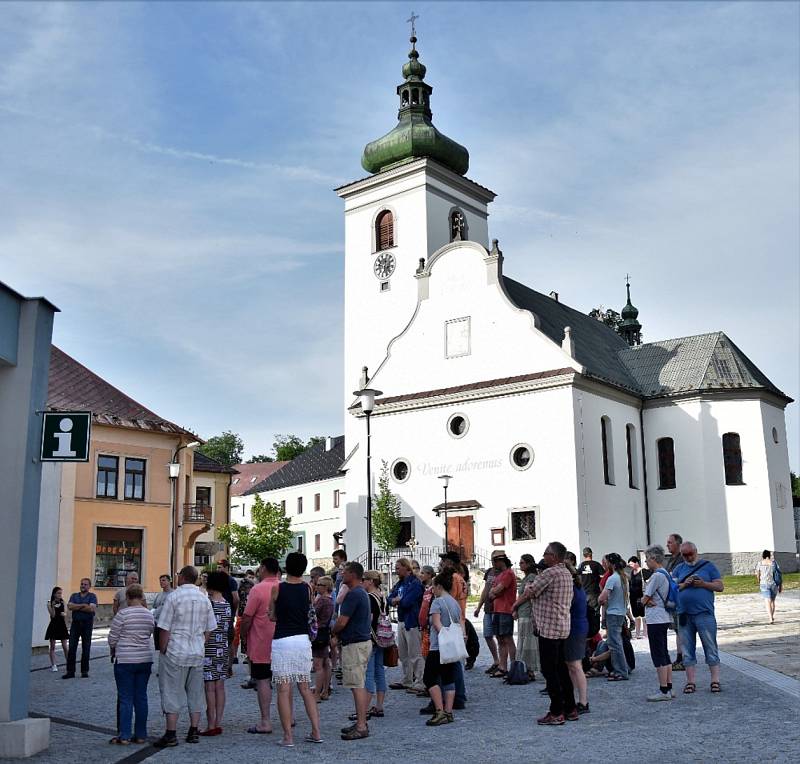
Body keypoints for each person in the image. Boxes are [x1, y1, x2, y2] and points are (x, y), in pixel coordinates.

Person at [153, 565, 218, 749]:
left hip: (176, 652)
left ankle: (171, 733)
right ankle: (193, 730)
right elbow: (210, 628)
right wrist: (201, 643)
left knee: (172, 691)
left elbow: (164, 627)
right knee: (196, 693)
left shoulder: (174, 597)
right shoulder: (203, 598)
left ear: (182, 577)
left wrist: (164, 648)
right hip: (197, 652)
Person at [269, 552, 322, 746]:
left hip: (282, 640)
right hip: (302, 641)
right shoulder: (308, 588)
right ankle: (316, 732)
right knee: (305, 688)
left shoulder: (277, 588)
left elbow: (272, 615)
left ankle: (288, 737)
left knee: (283, 689)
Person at [525, 542, 576, 725]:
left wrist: (526, 588)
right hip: (562, 626)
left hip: (548, 628)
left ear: (553, 556)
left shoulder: (550, 573)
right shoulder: (567, 573)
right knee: (562, 669)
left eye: (546, 553)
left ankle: (556, 711)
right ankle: (570, 707)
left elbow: (531, 591)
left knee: (549, 670)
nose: (544, 556)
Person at [673, 542, 724, 694]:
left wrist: (703, 584)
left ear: (696, 551)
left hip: (704, 614)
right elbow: (672, 589)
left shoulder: (708, 566)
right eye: (685, 555)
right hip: (684, 615)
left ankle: (715, 680)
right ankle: (690, 682)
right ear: (681, 555)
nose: (689, 557)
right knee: (687, 650)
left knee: (710, 646)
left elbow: (720, 587)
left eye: (691, 554)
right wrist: (685, 584)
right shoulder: (678, 569)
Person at [107, 583, 155, 745]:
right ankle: (141, 734)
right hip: (144, 659)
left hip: (125, 660)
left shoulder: (122, 614)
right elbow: (149, 633)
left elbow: (112, 638)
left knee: (126, 698)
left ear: (127, 597)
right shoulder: (149, 615)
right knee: (141, 697)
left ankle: (125, 735)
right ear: (142, 597)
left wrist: (114, 649)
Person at [332, 562, 373, 741]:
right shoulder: (360, 592)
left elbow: (341, 621)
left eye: (345, 571)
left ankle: (362, 725)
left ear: (353, 574)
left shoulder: (354, 594)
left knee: (357, 685)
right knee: (358, 683)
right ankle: (360, 722)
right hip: (360, 642)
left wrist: (332, 633)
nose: (341, 573)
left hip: (355, 644)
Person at [241, 557, 281, 733]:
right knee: (283, 681)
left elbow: (247, 616)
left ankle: (265, 721)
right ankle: (289, 716)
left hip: (261, 642)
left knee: (263, 680)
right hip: (282, 641)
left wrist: (243, 635)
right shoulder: (284, 587)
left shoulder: (257, 589)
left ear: (263, 568)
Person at [421, 571, 461, 727]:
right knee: (448, 678)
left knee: (429, 678)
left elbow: (437, 624)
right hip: (452, 647)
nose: (432, 590)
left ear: (439, 586)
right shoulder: (454, 602)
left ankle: (439, 711)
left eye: (433, 587)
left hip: (439, 646)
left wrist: (443, 635)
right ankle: (449, 712)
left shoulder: (437, 602)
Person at [200, 571, 232, 736]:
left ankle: (210, 724)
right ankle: (218, 721)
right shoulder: (226, 604)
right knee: (220, 686)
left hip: (208, 649)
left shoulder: (208, 604)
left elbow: (205, 628)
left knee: (209, 688)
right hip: (223, 648)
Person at [641, 544, 674, 701]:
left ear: (654, 559)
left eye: (647, 559)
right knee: (664, 652)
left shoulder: (656, 576)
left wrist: (645, 601)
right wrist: (648, 601)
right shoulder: (665, 574)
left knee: (657, 653)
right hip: (664, 616)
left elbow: (645, 598)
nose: (646, 562)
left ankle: (663, 691)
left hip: (655, 619)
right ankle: (669, 687)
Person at [388, 558, 424, 692]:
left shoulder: (415, 584)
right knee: (403, 654)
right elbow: (389, 598)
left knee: (415, 653)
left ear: (406, 568)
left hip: (412, 621)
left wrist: (397, 600)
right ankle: (407, 679)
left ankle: (420, 681)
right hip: (402, 620)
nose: (396, 571)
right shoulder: (400, 584)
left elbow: (407, 602)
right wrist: (395, 600)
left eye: (398, 568)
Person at [598, 553, 630, 681]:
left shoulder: (612, 579)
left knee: (615, 644)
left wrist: (601, 600)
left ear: (611, 564)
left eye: (605, 562)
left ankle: (621, 671)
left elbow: (602, 598)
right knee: (616, 643)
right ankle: (620, 669)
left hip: (613, 613)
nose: (604, 565)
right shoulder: (623, 578)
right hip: (620, 613)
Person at [564, 561, 589, 714]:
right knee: (572, 665)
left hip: (575, 628)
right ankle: (575, 699)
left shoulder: (572, 589)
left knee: (575, 665)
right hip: (578, 627)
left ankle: (583, 702)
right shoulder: (577, 587)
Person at [362, 570, 387, 719]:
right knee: (379, 672)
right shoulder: (381, 595)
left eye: (364, 579)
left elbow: (369, 620)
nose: (362, 582)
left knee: (369, 674)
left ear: (371, 581)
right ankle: (379, 705)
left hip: (371, 638)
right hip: (382, 637)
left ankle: (363, 709)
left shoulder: (369, 598)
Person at [488, 553, 517, 678]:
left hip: (506, 610)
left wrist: (495, 592)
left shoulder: (509, 573)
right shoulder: (499, 575)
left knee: (507, 638)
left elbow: (497, 590)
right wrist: (495, 592)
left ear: (501, 561)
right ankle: (503, 667)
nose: (493, 564)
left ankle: (513, 666)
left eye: (494, 561)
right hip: (497, 610)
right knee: (500, 639)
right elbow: (491, 592)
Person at [511, 555, 540, 681]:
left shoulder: (532, 577)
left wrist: (515, 605)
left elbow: (527, 595)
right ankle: (525, 668)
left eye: (522, 562)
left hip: (528, 612)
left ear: (528, 564)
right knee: (523, 640)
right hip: (523, 612)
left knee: (528, 642)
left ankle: (529, 669)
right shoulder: (526, 578)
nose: (520, 565)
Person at [64, 578, 98, 679]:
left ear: (89, 586)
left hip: (87, 624)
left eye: (85, 584)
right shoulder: (74, 595)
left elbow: (91, 608)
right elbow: (70, 606)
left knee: (86, 647)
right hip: (76, 623)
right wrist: (83, 605)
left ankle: (84, 671)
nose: (83, 586)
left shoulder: (92, 596)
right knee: (72, 647)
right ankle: (70, 671)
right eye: (82, 584)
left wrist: (77, 606)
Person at [474, 553, 502, 673]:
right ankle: (496, 660)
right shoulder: (490, 571)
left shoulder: (505, 572)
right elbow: (485, 589)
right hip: (488, 608)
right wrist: (479, 606)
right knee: (487, 635)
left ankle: (502, 663)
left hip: (498, 609)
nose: (493, 562)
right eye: (492, 559)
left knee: (500, 637)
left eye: (495, 559)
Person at [311, 575, 334, 703]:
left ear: (325, 587)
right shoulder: (329, 600)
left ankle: (317, 694)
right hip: (325, 633)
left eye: (319, 584)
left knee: (318, 665)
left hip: (318, 633)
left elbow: (312, 614)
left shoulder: (322, 600)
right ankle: (325, 690)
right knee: (326, 663)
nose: (316, 586)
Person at [666, 533, 686, 670]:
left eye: (670, 542)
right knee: (678, 630)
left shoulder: (682, 560)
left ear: (678, 544)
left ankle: (685, 658)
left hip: (680, 600)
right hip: (673, 600)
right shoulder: (671, 560)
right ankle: (679, 657)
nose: (667, 544)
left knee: (682, 630)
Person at [579, 547, 603, 637]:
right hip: (594, 593)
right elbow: (603, 576)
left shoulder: (581, 566)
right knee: (595, 614)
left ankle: (587, 633)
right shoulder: (596, 564)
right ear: (591, 554)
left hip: (583, 593)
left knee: (585, 614)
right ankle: (594, 634)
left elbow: (578, 577)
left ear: (583, 555)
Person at [231, 570, 255, 663]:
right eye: (249, 577)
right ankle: (234, 655)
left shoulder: (254, 589)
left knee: (247, 636)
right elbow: (238, 601)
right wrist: (237, 613)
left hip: (249, 615)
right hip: (241, 614)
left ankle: (246, 656)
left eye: (252, 577)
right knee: (236, 635)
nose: (251, 579)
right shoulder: (241, 589)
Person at [45, 586, 69, 672]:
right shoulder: (49, 602)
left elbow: (66, 613)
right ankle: (53, 665)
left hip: (62, 625)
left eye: (61, 593)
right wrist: (53, 606)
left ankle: (68, 662)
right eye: (58, 593)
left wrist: (64, 614)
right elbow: (52, 615)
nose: (60, 595)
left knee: (65, 646)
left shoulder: (63, 602)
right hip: (54, 625)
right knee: (53, 646)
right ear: (54, 594)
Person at [755, 550, 782, 624]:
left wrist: (759, 581)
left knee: (767, 601)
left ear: (763, 555)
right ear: (769, 555)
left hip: (764, 584)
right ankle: (772, 617)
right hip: (774, 584)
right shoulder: (774, 563)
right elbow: (779, 574)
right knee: (772, 601)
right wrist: (780, 585)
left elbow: (757, 574)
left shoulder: (759, 563)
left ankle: (770, 618)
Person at [152, 574, 173, 658]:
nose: (161, 582)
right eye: (160, 580)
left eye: (164, 580)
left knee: (167, 647)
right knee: (159, 648)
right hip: (157, 624)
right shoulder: (159, 595)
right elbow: (154, 607)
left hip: (167, 625)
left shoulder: (173, 594)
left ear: (169, 581)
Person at [628, 555, 650, 638]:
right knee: (636, 615)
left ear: (636, 563)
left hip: (641, 596)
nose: (630, 566)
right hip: (633, 597)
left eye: (631, 564)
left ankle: (645, 633)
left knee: (644, 615)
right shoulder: (631, 572)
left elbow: (649, 581)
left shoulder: (643, 571)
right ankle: (637, 633)